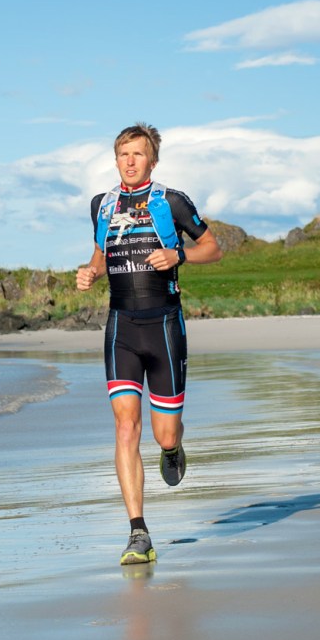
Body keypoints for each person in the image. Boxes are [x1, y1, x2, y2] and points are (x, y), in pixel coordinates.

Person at [76, 122, 223, 565]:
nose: (130, 161)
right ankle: (138, 532)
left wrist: (179, 255)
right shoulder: (101, 205)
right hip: (121, 326)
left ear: (152, 160)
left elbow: (213, 248)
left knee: (162, 432)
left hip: (164, 326)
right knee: (125, 426)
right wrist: (91, 272)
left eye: (138, 154)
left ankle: (173, 448)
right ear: (116, 159)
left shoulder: (172, 201)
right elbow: (102, 252)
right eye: (123, 154)